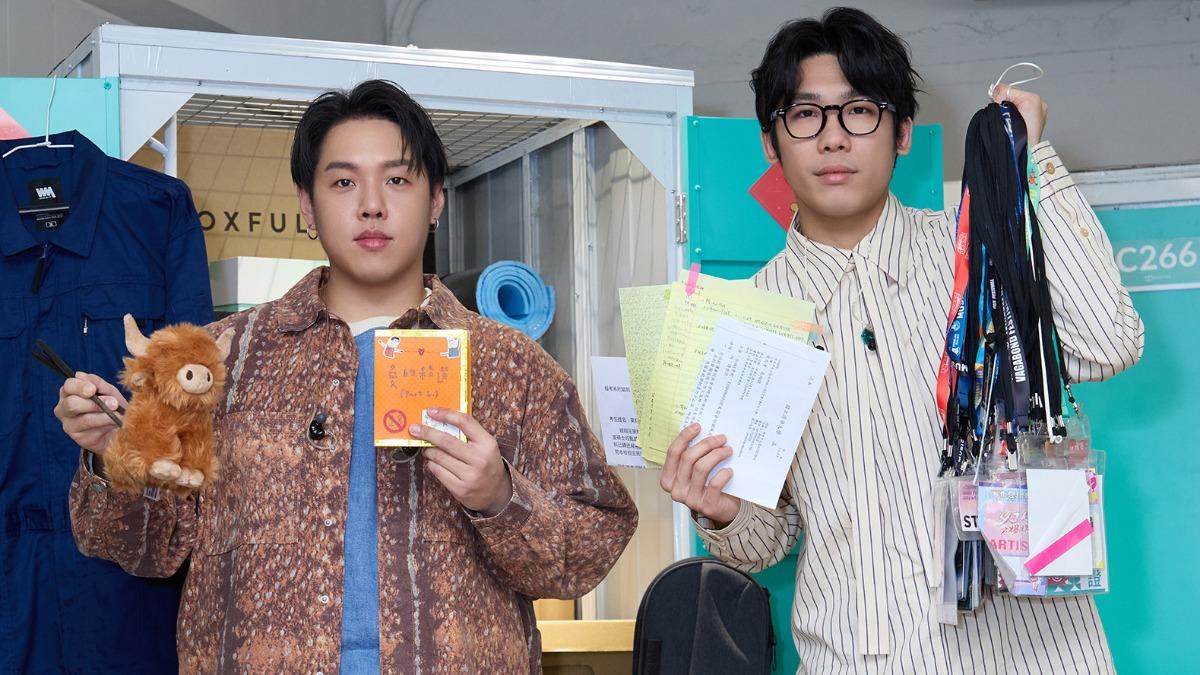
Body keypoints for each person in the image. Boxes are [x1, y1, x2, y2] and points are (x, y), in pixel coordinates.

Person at [56, 79, 637, 674]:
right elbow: (145, 549)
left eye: (398, 180)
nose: (371, 205)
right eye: (343, 182)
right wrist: (112, 458)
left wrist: (501, 497)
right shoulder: (222, 360)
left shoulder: (511, 365)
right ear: (307, 205)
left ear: (436, 200)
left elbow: (589, 550)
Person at [659, 8, 1142, 673]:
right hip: (856, 657)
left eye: (860, 111)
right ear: (771, 143)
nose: (833, 138)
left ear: (903, 132)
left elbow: (1107, 343)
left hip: (1026, 654)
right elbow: (768, 540)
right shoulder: (747, 321)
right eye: (805, 115)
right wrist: (724, 512)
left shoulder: (978, 246)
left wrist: (1029, 165)